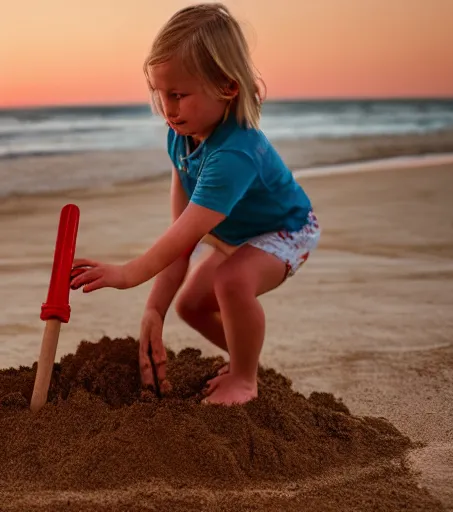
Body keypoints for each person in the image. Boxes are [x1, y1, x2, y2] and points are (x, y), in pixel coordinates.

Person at [71, 2, 321, 405]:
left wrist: (127, 274)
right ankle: (247, 360)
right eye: (160, 93)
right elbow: (181, 240)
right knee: (190, 305)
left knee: (232, 282)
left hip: (286, 229)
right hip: (235, 234)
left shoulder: (234, 155)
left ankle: (244, 378)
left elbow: (187, 233)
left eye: (179, 95)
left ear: (227, 86)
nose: (167, 109)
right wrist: (155, 309)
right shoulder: (181, 138)